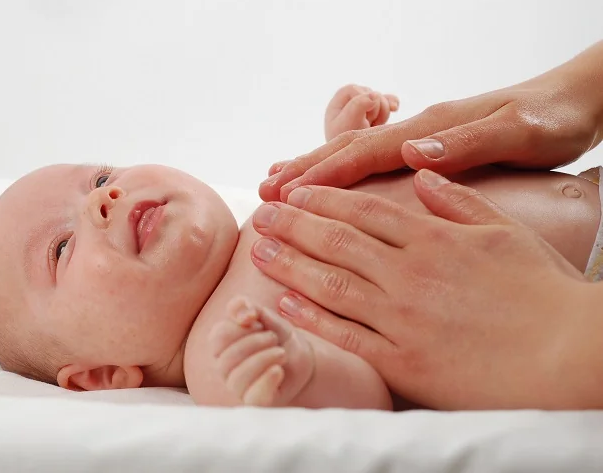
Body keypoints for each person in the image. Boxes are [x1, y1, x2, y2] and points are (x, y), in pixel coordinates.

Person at [0, 84, 601, 410]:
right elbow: (358, 399)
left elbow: (374, 204)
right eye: (60, 249)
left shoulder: (271, 219)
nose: (102, 201)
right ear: (105, 375)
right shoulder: (225, 349)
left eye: (102, 178)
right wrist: (298, 371)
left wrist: (350, 146)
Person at [253, 41, 603, 409]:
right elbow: (354, 385)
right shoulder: (224, 331)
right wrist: (298, 370)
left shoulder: (281, 204)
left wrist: (346, 144)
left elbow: (368, 219)